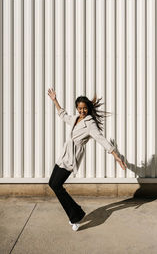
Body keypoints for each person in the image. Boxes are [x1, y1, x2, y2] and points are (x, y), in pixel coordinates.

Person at [47, 87, 127, 231]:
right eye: (79, 108)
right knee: (52, 183)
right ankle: (76, 211)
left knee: (57, 186)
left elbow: (101, 140)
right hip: (63, 156)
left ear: (88, 108)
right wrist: (55, 100)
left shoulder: (90, 124)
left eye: (84, 108)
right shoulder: (76, 119)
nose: (82, 111)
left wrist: (116, 156)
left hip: (71, 158)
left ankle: (76, 215)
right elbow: (63, 115)